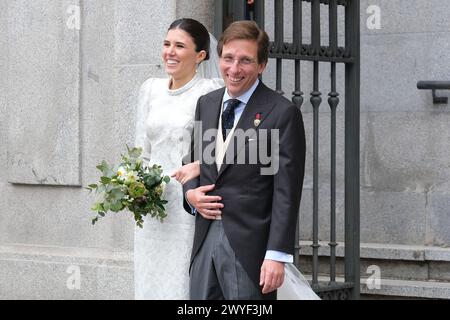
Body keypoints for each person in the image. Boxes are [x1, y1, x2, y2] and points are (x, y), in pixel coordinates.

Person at [182, 20, 308, 300]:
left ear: (261, 65)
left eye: (245, 61)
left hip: (251, 249)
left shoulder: (282, 113)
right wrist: (190, 194)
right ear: (219, 58)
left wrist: (276, 255)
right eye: (228, 58)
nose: (234, 69)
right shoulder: (208, 103)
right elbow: (194, 160)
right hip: (204, 241)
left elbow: (286, 191)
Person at [134, 18, 222, 300]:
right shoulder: (150, 89)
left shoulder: (209, 92)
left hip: (188, 205)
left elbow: (219, 151)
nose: (170, 52)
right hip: (151, 207)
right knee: (150, 277)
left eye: (180, 46)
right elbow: (141, 151)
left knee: (182, 282)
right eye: (166, 44)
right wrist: (133, 187)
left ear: (200, 56)